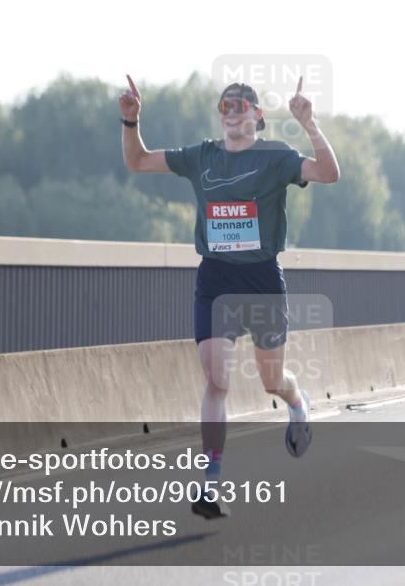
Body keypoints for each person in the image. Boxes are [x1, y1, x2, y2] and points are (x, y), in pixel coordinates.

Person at [118, 76, 340, 519]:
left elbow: (329, 173)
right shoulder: (202, 156)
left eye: (241, 105)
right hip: (216, 278)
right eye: (225, 106)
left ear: (257, 114)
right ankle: (211, 483)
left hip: (262, 280)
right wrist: (130, 120)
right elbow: (138, 161)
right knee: (217, 379)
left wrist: (309, 124)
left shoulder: (275, 156)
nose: (232, 111)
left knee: (272, 381)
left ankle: (298, 403)